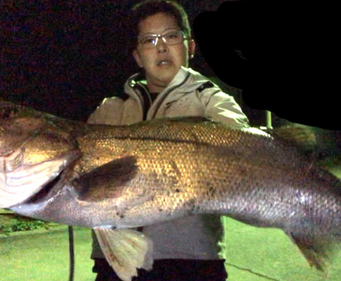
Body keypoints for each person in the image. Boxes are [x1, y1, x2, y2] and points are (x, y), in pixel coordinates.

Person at [87, 1, 249, 280]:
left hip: (191, 264)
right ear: (138, 56)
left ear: (191, 47)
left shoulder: (212, 102)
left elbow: (242, 149)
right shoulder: (110, 111)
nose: (161, 47)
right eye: (149, 40)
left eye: (171, 36)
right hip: (114, 264)